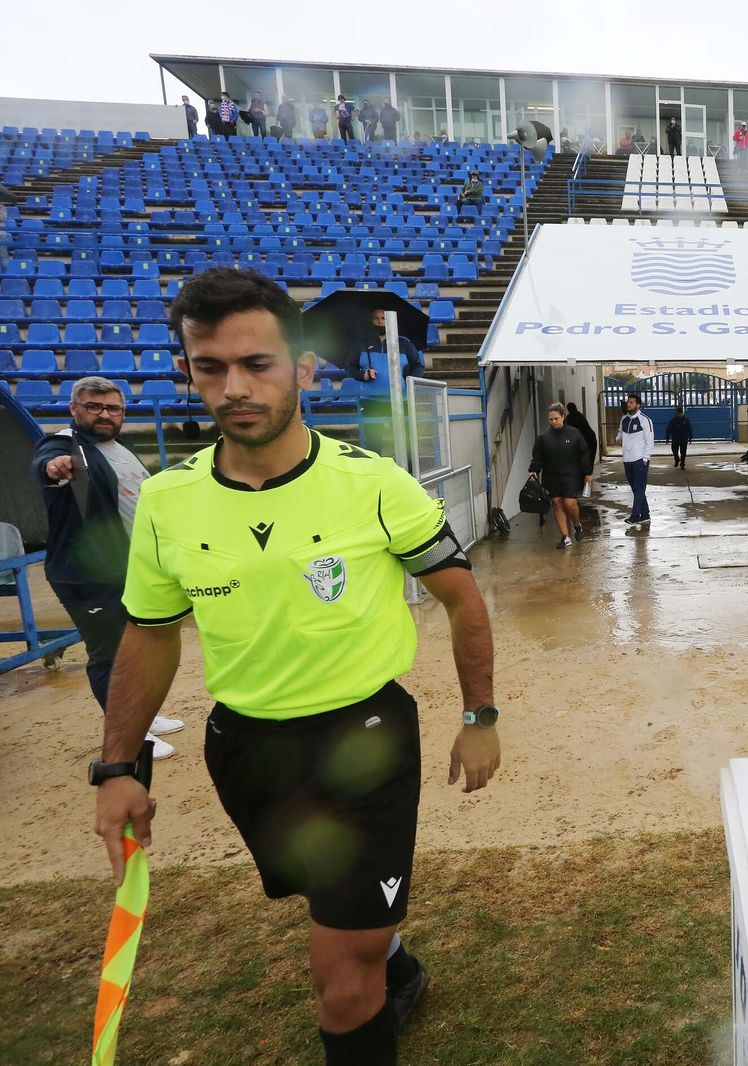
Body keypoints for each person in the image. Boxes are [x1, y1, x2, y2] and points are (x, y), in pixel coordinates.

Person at [91, 267, 499, 1066]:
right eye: (211, 368)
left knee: (339, 984)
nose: (234, 387)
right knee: (325, 900)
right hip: (244, 746)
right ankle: (398, 966)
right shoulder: (169, 503)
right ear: (188, 372)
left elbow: (462, 601)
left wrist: (479, 717)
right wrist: (117, 765)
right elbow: (151, 633)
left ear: (303, 369)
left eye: (258, 364)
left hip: (367, 738)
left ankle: (373, 977)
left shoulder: (376, 485)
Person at [32, 376, 184, 758]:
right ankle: (130, 736)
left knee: (140, 647)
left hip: (127, 569)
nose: (104, 414)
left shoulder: (119, 448)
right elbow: (45, 462)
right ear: (74, 409)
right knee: (109, 655)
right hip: (87, 576)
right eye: (94, 407)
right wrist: (56, 467)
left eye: (112, 408)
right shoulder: (67, 444)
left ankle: (144, 717)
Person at [352, 307, 427, 455]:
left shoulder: (404, 343)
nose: (380, 321)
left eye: (384, 318)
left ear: (391, 321)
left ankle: (408, 473)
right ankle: (374, 475)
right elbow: (350, 366)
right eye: (376, 318)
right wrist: (362, 374)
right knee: (373, 443)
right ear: (371, 321)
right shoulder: (361, 343)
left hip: (401, 399)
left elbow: (418, 365)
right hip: (371, 400)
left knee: (406, 441)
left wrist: (410, 381)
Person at [528, 403, 593, 549]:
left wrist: (588, 473)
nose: (553, 422)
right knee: (557, 504)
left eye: (556, 418)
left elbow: (584, 454)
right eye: (551, 419)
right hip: (551, 477)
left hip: (570, 476)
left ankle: (577, 525)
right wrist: (534, 470)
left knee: (570, 504)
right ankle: (565, 537)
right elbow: (537, 457)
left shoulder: (575, 434)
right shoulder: (543, 438)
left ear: (563, 417)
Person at [618, 392, 654, 526]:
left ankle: (635, 515)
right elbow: (619, 434)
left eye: (632, 402)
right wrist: (619, 439)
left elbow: (650, 441)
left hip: (640, 460)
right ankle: (645, 514)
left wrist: (645, 458)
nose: (629, 404)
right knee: (635, 488)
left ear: (638, 405)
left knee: (639, 488)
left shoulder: (645, 420)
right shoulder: (624, 419)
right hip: (627, 460)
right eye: (628, 401)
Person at [565, 401, 598, 472]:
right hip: (591, 439)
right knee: (589, 461)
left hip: (584, 441)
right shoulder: (580, 415)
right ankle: (588, 476)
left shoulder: (569, 418)